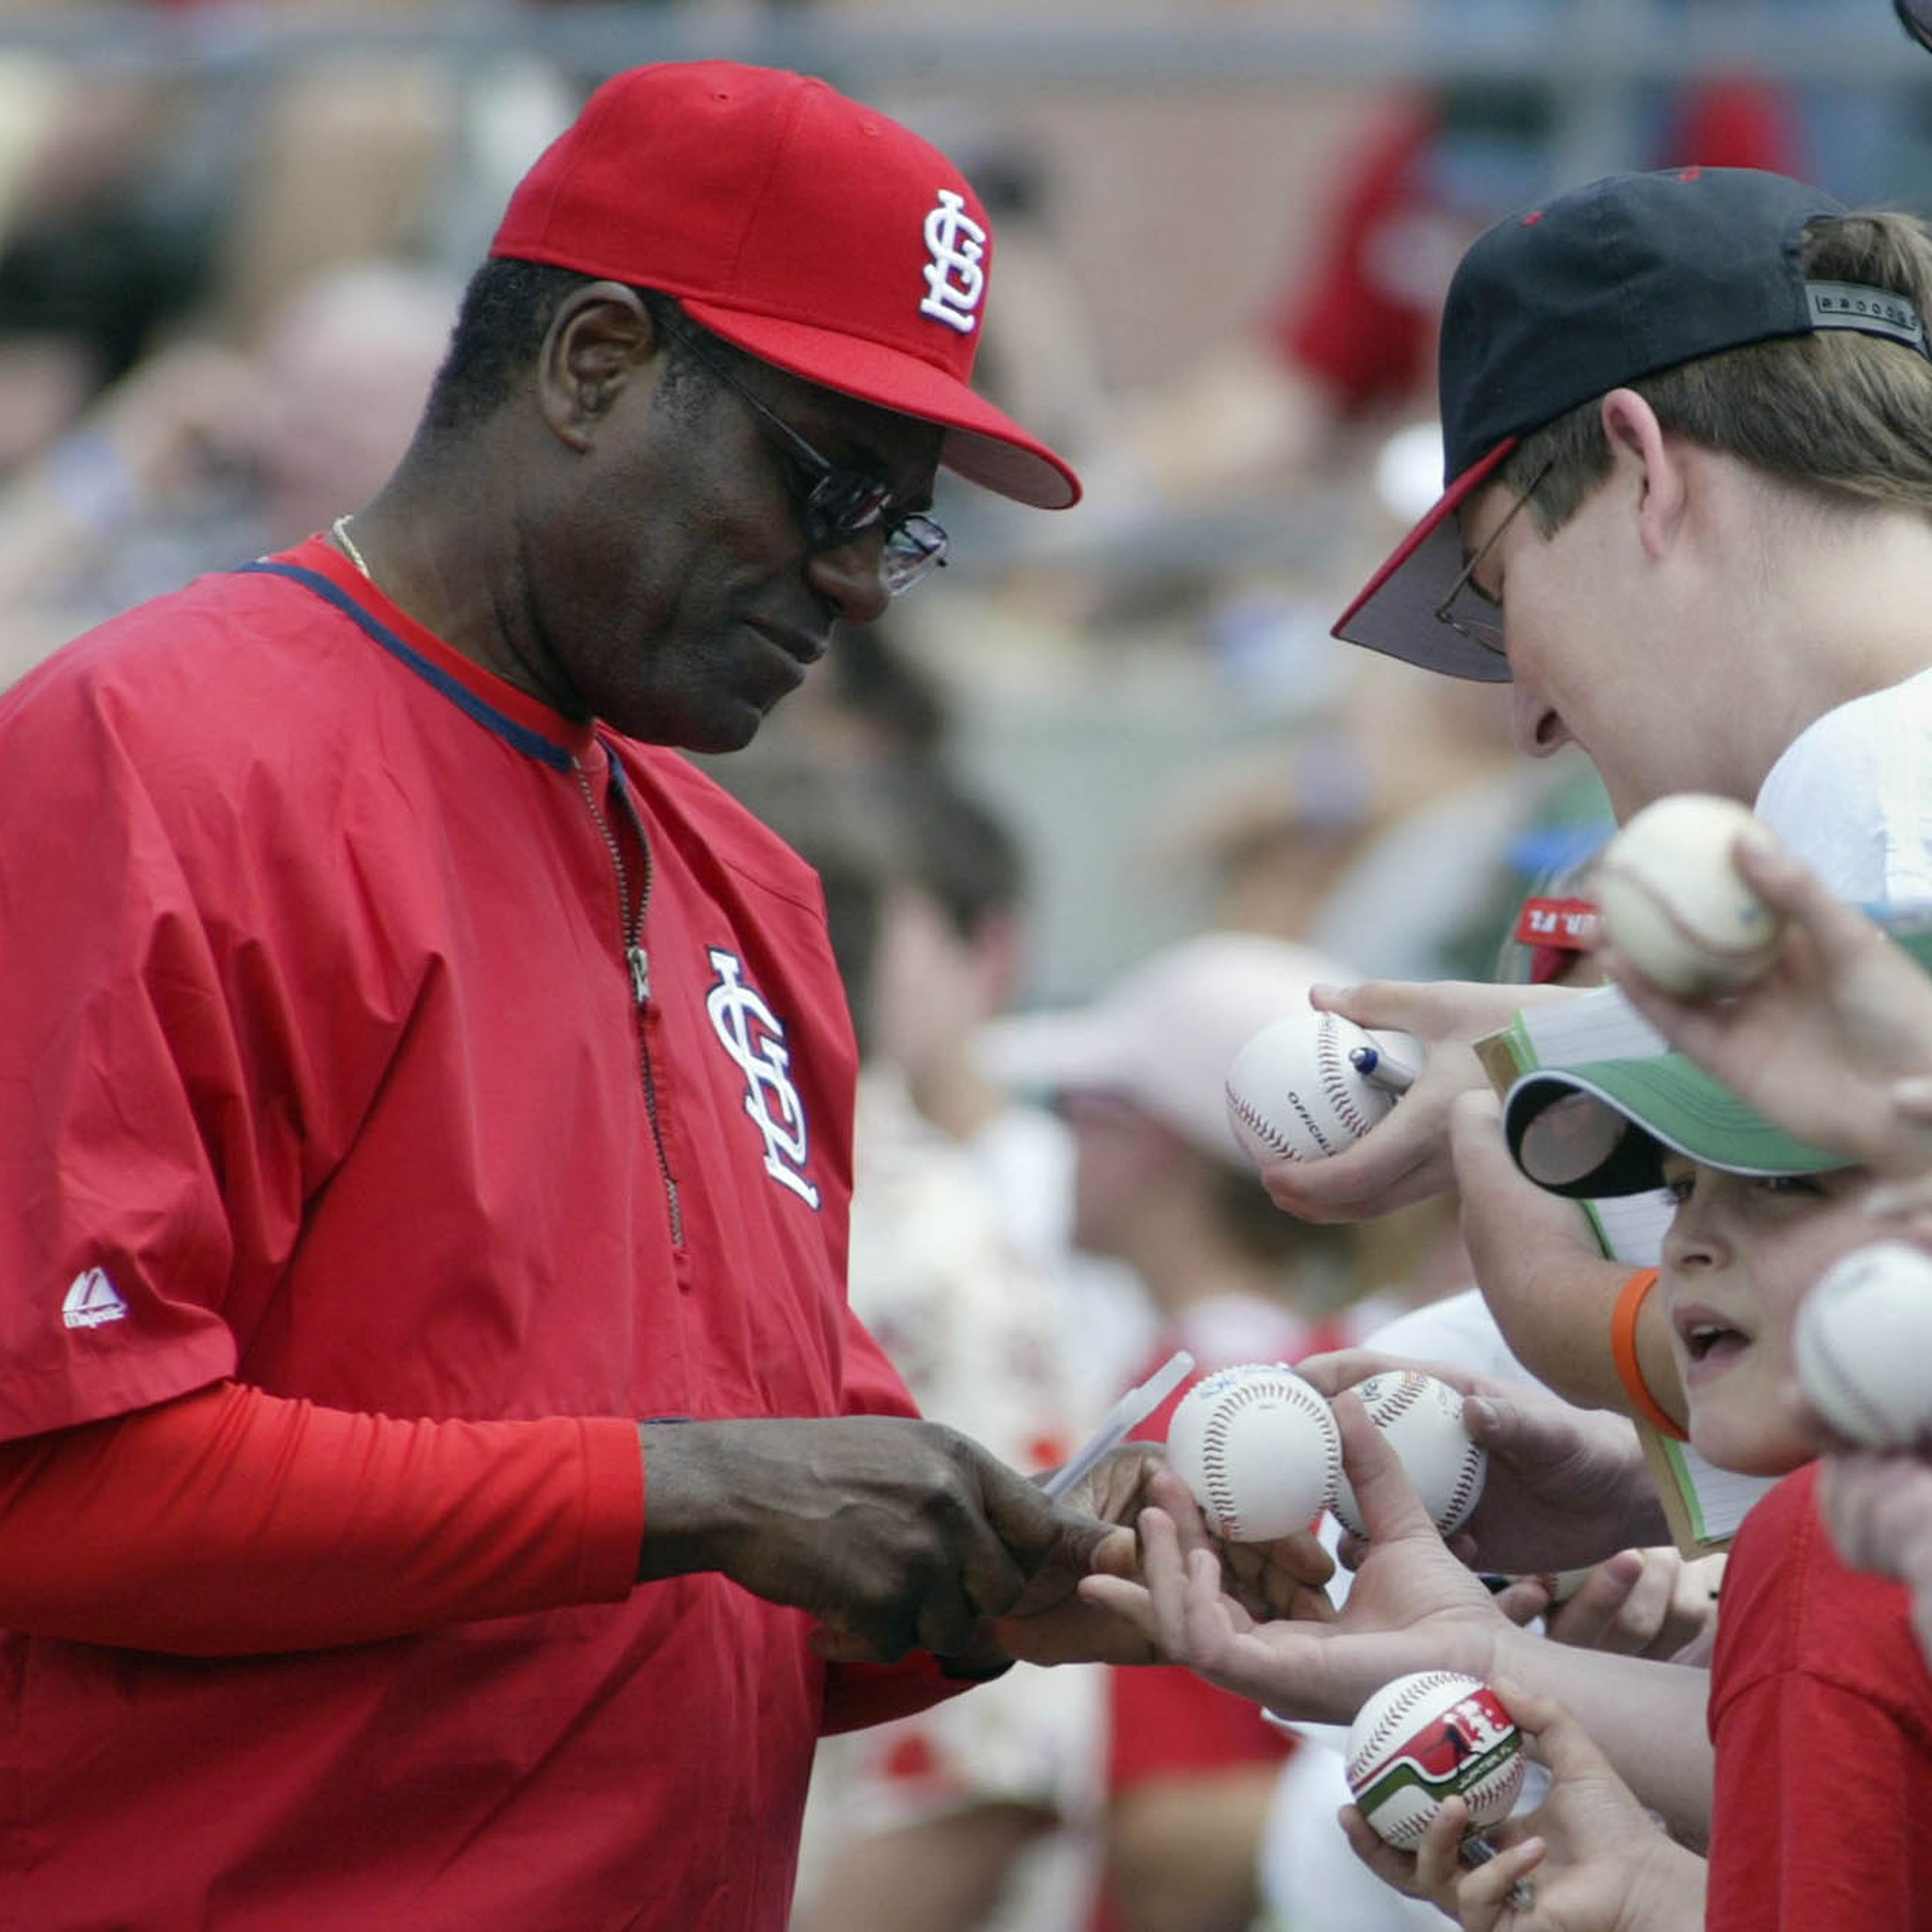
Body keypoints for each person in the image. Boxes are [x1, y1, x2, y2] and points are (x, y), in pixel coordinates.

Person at [0, 62, 1336, 1931]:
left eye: (906, 518)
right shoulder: (150, 750)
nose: (865, 579)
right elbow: (48, 1487)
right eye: (831, 484)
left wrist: (995, 1587)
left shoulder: (754, 879)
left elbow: (710, 1581)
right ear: (596, 361)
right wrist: (686, 1488)